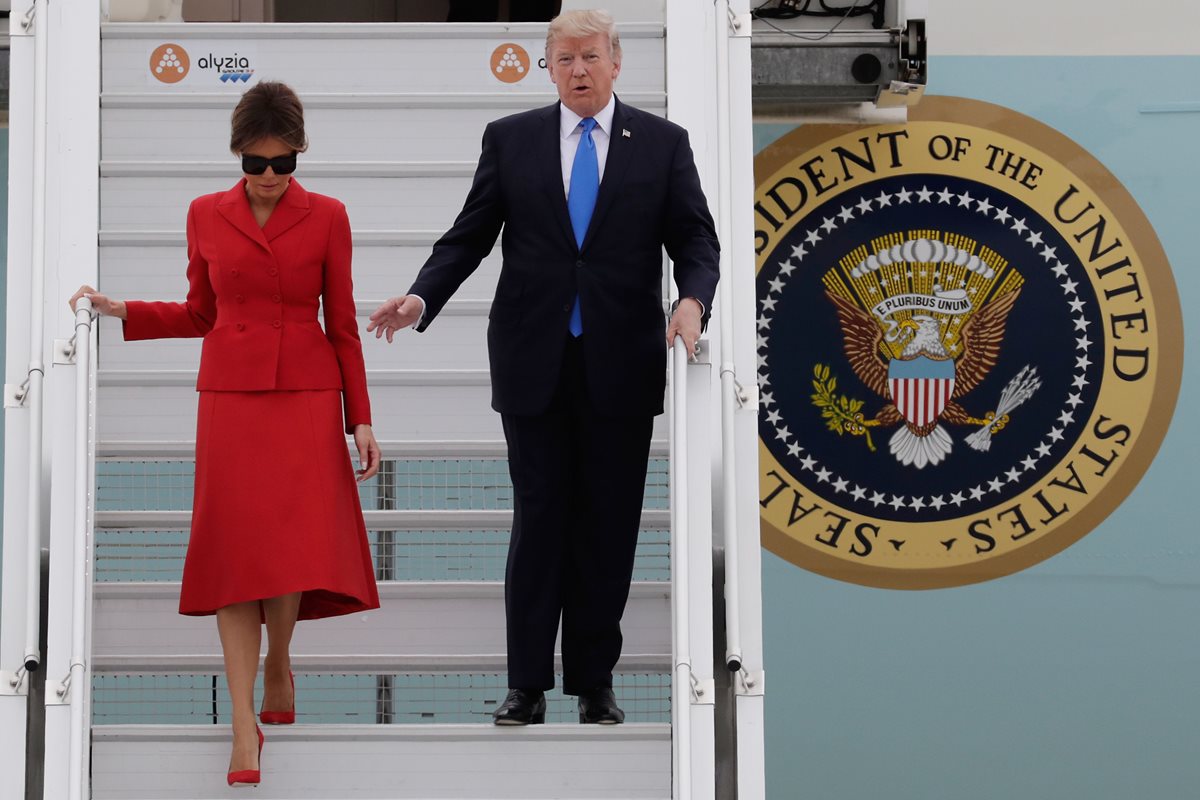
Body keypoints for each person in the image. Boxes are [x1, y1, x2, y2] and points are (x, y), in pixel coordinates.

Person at [367, 10, 719, 726]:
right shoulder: (511, 138)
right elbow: (469, 235)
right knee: (539, 520)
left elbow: (695, 239)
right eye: (564, 59)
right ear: (548, 67)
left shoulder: (662, 143)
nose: (578, 70)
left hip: (622, 362)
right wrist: (421, 296)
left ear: (616, 62)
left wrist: (691, 302)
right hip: (534, 360)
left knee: (608, 526)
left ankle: (594, 682)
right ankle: (525, 684)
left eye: (589, 56)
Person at [70, 81, 381, 787]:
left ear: (299, 154)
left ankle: (280, 659)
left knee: (291, 548)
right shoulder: (204, 213)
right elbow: (201, 312)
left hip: (306, 397)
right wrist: (123, 308)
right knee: (236, 556)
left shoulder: (330, 217)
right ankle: (244, 724)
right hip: (231, 400)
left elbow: (342, 325)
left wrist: (359, 417)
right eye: (255, 163)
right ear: (237, 154)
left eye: (283, 163)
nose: (269, 176)